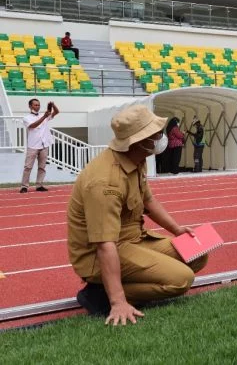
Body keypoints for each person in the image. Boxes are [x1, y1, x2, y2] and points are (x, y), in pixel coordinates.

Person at [67, 104, 208, 324]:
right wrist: (118, 301)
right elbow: (105, 244)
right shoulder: (105, 182)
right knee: (181, 280)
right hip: (102, 251)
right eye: (157, 134)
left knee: (197, 252)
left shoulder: (137, 159)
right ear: (138, 141)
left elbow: (148, 200)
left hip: (133, 240)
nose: (162, 138)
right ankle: (102, 295)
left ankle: (114, 285)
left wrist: (177, 230)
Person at [20, 98, 58, 193]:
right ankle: (24, 186)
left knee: (42, 167)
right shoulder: (26, 118)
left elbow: (56, 112)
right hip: (33, 145)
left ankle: (39, 185)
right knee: (28, 167)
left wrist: (52, 105)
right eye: (35, 105)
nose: (37, 106)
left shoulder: (43, 115)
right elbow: (33, 126)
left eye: (38, 105)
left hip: (44, 144)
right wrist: (44, 117)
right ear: (30, 106)